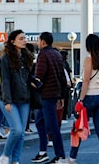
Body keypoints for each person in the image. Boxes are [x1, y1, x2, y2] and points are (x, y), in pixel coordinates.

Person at [61, 33, 99, 164]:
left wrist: (80, 100)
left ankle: (72, 158)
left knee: (78, 127)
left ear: (88, 46)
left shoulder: (89, 60)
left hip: (90, 97)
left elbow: (86, 81)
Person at [0, 30, 34, 164]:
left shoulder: (27, 57)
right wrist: (7, 101)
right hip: (10, 99)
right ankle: (5, 155)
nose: (24, 40)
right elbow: (5, 81)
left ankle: (15, 161)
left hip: (24, 99)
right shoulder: (5, 58)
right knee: (17, 129)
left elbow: (29, 77)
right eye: (21, 38)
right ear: (13, 41)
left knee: (21, 133)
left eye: (24, 38)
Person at [32, 32, 68, 164]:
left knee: (52, 126)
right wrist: (62, 95)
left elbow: (39, 76)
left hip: (46, 94)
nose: (37, 42)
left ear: (42, 42)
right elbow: (62, 76)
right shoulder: (57, 54)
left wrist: (33, 83)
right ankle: (42, 152)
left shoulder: (43, 54)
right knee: (40, 121)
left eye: (38, 40)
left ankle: (60, 156)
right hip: (54, 93)